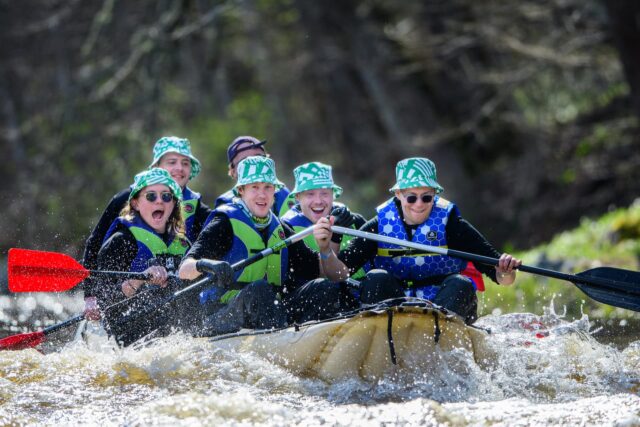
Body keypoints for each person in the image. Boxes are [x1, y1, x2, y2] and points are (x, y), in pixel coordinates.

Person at [314, 157, 522, 324]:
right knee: (376, 278)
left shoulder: (451, 224)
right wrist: (325, 248)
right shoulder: (379, 225)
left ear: (435, 195)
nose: (419, 205)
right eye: (411, 197)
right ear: (398, 194)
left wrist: (506, 270)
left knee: (461, 284)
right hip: (393, 311)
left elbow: (503, 278)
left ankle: (442, 335)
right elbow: (338, 275)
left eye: (427, 197)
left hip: (441, 307)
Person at [179, 156, 350, 336]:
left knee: (323, 287)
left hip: (271, 314)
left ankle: (317, 337)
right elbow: (184, 269)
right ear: (241, 191)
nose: (262, 194)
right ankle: (283, 340)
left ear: (274, 191)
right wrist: (207, 264)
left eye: (267, 187)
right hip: (223, 315)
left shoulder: (281, 229)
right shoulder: (223, 222)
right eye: (255, 187)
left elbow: (332, 275)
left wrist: (325, 248)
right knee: (259, 290)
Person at [82, 136, 211, 319]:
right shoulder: (123, 209)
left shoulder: (197, 213)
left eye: (185, 163)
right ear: (135, 203)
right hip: (130, 309)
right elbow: (95, 244)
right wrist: (90, 296)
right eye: (172, 162)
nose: (179, 169)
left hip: (171, 308)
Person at [94, 168, 192, 346]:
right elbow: (103, 299)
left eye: (166, 196)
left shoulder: (183, 244)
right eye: (151, 196)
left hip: (173, 326)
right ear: (136, 203)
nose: (159, 201)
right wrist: (138, 280)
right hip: (128, 329)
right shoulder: (121, 241)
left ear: (174, 204)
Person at [281, 161, 368, 281]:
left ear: (333, 194)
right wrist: (334, 239)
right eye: (310, 194)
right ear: (297, 197)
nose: (318, 201)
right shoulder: (286, 229)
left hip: (360, 291)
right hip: (319, 292)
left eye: (324, 193)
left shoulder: (353, 220)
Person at [214, 136, 295, 217]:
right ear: (233, 171)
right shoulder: (225, 205)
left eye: (259, 158)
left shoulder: (284, 194)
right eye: (245, 162)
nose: (254, 166)